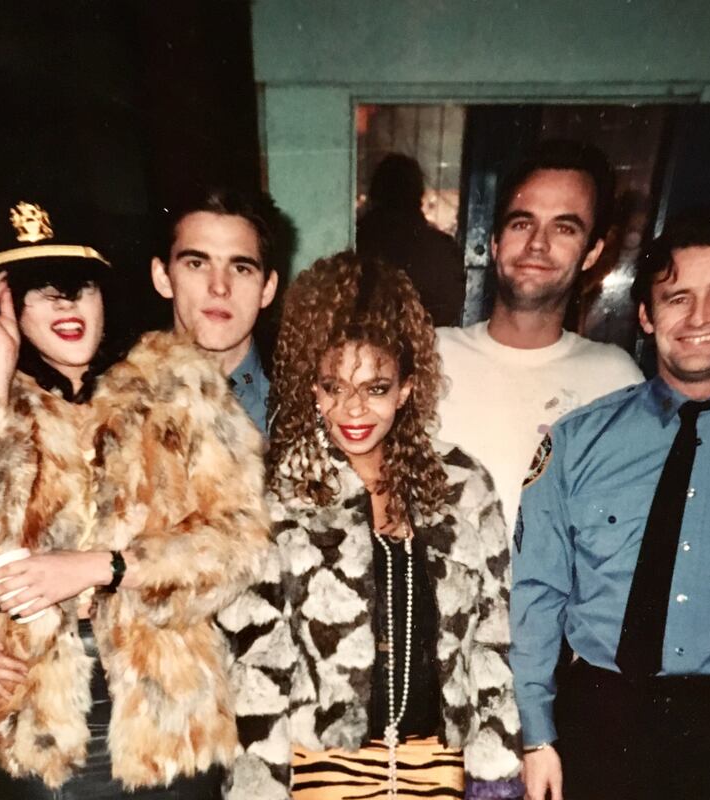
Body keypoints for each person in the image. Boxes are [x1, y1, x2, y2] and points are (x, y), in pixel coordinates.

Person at [0, 201, 270, 798]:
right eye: (37, 292)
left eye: (79, 288)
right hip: (38, 715)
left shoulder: (177, 385)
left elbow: (240, 543)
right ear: (3, 309)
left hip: (170, 712)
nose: (66, 306)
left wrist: (106, 567)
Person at [510, 209, 710, 800]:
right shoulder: (575, 440)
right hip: (603, 716)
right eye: (676, 298)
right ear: (646, 316)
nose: (699, 318)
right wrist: (537, 736)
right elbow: (538, 591)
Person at [260, 251, 523, 799]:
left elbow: (495, 640)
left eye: (376, 388)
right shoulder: (281, 495)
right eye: (334, 386)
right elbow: (260, 663)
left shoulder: (463, 487)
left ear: (405, 389)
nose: (353, 410)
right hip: (324, 769)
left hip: (437, 766)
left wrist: (494, 770)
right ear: (313, 388)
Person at [436, 140, 643, 538]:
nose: (537, 243)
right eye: (521, 222)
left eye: (564, 227)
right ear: (495, 242)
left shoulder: (616, 379)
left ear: (592, 252)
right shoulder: (429, 354)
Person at [151, 187, 280, 433]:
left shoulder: (311, 405)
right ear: (163, 277)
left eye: (241, 268)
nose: (219, 287)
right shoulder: (118, 399)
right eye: (197, 264)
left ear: (267, 289)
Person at [357, 153, 465, 327]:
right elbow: (450, 309)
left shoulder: (356, 239)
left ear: (375, 192)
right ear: (418, 194)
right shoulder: (442, 249)